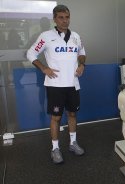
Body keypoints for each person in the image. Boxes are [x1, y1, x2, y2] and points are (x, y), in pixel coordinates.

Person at [27, 4, 86, 164]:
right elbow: (31, 53)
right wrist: (44, 68)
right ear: (55, 19)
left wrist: (82, 65)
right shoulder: (46, 36)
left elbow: (81, 52)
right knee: (56, 117)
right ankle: (55, 148)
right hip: (55, 85)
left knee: (72, 114)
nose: (64, 21)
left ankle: (73, 143)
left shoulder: (76, 36)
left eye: (67, 17)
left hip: (73, 83)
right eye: (61, 17)